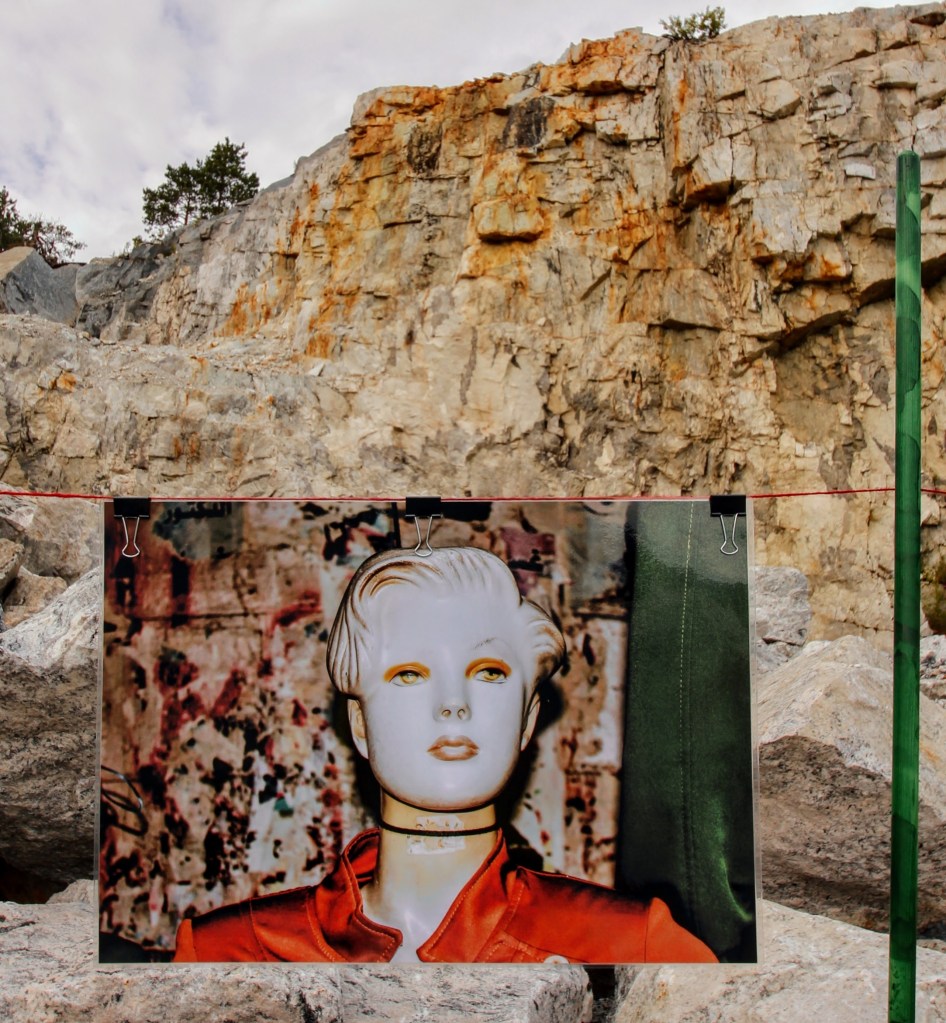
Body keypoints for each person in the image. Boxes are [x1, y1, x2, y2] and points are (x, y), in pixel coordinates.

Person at [173, 546, 716, 963]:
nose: (453, 704)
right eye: (410, 674)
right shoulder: (230, 952)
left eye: (488, 673)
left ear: (527, 720)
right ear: (359, 724)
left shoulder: (631, 944)